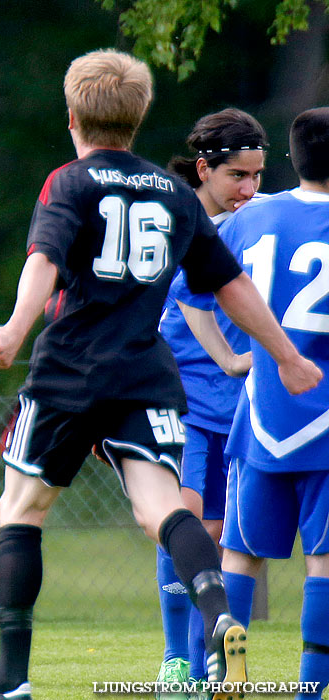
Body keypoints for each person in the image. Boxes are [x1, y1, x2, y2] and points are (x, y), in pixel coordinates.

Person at [0, 49, 321, 700]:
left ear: (72, 116)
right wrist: (289, 356)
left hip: (68, 367)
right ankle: (218, 621)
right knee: (161, 508)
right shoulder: (171, 193)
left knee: (21, 509)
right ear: (138, 117)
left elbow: (44, 258)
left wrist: (15, 330)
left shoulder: (69, 182)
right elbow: (231, 285)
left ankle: (9, 678)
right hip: (147, 371)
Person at [154, 109, 267, 697]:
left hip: (240, 405)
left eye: (257, 175)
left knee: (223, 537)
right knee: (188, 521)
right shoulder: (179, 218)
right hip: (184, 397)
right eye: (237, 177)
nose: (249, 189)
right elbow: (189, 302)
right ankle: (180, 662)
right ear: (205, 168)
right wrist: (227, 359)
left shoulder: (260, 220)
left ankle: (206, 667)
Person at [218, 107, 329, 700]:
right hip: (327, 414)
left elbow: (192, 288)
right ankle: (310, 690)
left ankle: (225, 679)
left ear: (291, 156)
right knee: (325, 562)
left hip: (261, 414)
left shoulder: (252, 217)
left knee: (239, 556)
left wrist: (231, 358)